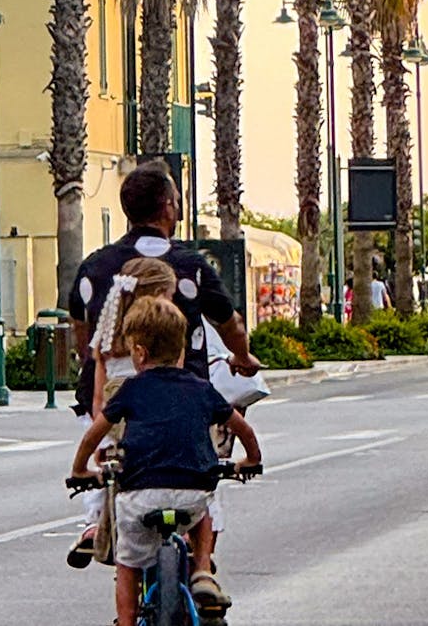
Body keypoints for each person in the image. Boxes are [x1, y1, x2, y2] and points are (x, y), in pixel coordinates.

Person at [67, 161, 260, 587]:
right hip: (184, 401)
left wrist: (94, 365)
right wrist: (243, 356)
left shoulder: (95, 267)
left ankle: (97, 523)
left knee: (114, 472)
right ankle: (201, 567)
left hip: (108, 403)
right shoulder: (190, 266)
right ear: (170, 206)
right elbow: (229, 323)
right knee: (203, 477)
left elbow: (80, 330)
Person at [70, 297, 263, 625]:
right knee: (204, 511)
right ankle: (202, 570)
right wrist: (250, 460)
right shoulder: (202, 389)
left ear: (139, 353)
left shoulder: (131, 390)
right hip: (191, 497)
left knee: (128, 562)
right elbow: (242, 428)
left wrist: (80, 471)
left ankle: (126, 620)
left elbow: (93, 435)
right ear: (182, 351)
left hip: (140, 497)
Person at [68, 257, 178, 568]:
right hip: (156, 424)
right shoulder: (167, 338)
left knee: (112, 477)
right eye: (169, 296)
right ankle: (194, 551)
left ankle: (95, 527)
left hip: (116, 426)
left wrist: (101, 439)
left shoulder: (108, 340)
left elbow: (98, 398)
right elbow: (176, 386)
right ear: (156, 295)